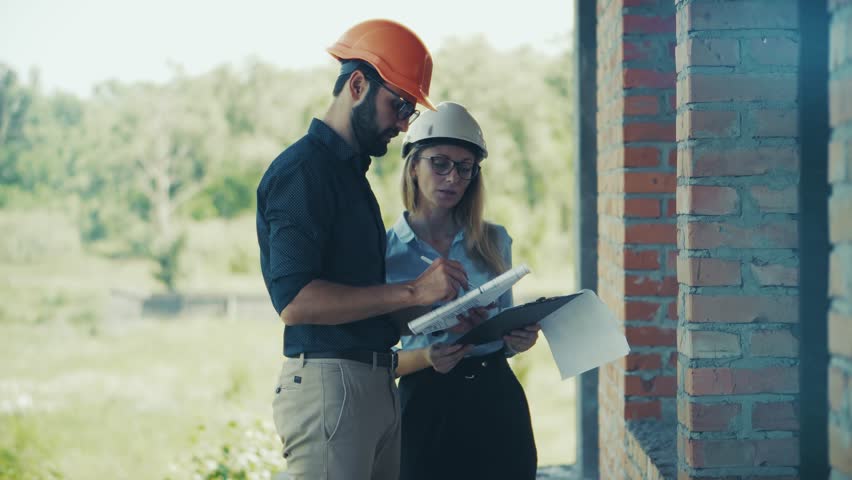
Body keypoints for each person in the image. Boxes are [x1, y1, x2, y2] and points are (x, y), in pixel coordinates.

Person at [256, 20, 470, 480]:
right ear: (357, 84)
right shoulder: (302, 173)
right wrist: (413, 291)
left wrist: (436, 309)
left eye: (409, 112)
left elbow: (361, 301)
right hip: (331, 387)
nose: (402, 124)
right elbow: (295, 302)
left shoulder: (353, 179)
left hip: (375, 383)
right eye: (398, 105)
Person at [386, 101, 541, 480]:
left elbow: (502, 327)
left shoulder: (494, 240)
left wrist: (516, 340)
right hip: (424, 402)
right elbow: (372, 359)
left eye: (464, 167)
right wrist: (428, 357)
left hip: (496, 399)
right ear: (414, 165)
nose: (452, 178)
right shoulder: (384, 250)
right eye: (440, 163)